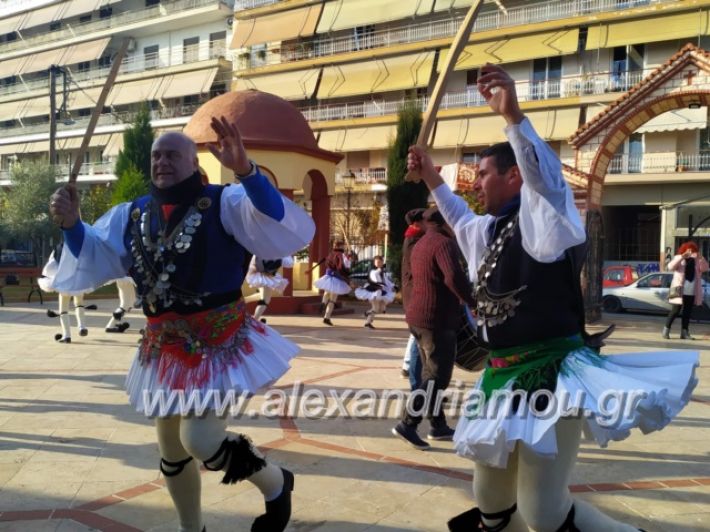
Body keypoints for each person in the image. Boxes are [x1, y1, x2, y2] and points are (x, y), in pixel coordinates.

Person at [407, 63, 698, 532]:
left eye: (483, 173)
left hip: (553, 372)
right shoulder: (490, 229)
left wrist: (515, 119)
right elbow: (459, 219)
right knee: (491, 501)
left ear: (514, 176)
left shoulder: (548, 220)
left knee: (543, 510)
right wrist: (429, 179)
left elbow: (544, 180)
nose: (476, 183)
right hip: (500, 377)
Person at [48, 118, 315, 532]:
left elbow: (276, 220)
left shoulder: (226, 203)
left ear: (194, 163)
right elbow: (96, 255)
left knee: (201, 440)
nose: (162, 162)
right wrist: (71, 225)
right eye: (156, 155)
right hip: (162, 349)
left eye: (173, 154)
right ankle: (192, 529)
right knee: (172, 453)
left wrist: (246, 171)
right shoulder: (131, 214)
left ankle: (277, 482)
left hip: (219, 343)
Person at [391, 207, 476, 449]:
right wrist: (473, 303)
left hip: (419, 317)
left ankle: (438, 425)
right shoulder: (443, 244)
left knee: (430, 374)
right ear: (447, 223)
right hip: (436, 319)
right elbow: (453, 278)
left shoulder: (421, 242)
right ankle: (408, 423)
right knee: (438, 376)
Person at [39, 242, 91, 342]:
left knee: (63, 308)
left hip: (64, 281)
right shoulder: (81, 246)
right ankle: (82, 326)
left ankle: (67, 335)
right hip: (78, 280)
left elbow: (51, 265)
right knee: (79, 304)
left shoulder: (59, 247)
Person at [400, 207, 426, 385]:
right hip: (417, 298)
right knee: (419, 341)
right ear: (418, 223)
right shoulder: (415, 241)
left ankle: (425, 386)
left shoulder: (414, 238)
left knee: (419, 340)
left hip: (415, 297)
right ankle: (418, 388)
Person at [663, 241, 709, 340]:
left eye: (693, 250)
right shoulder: (679, 258)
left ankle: (684, 333)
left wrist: (701, 258)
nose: (691, 252)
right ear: (684, 250)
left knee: (687, 313)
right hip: (679, 290)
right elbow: (670, 267)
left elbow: (705, 268)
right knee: (675, 311)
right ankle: (666, 330)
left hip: (691, 291)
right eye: (689, 250)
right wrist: (682, 257)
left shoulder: (697, 260)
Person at [246, 255, 294, 323]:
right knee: (265, 300)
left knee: (263, 297)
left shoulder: (260, 249)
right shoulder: (279, 253)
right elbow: (289, 264)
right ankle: (255, 320)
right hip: (263, 277)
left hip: (259, 275)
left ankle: (245, 304)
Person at [314, 240, 351, 326]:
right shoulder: (340, 255)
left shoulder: (331, 254)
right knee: (333, 300)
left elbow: (324, 261)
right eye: (343, 246)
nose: (344, 247)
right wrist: (346, 274)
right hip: (336, 277)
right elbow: (341, 266)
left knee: (327, 292)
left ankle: (323, 303)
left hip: (328, 276)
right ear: (341, 246)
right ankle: (327, 317)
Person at [354, 255, 394, 329]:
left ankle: (368, 317)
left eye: (380, 262)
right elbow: (375, 278)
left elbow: (385, 280)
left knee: (378, 309)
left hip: (379, 291)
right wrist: (379, 271)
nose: (379, 263)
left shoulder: (381, 271)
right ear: (374, 262)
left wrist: (393, 286)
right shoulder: (373, 271)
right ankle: (367, 319)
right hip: (373, 291)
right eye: (377, 262)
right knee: (375, 308)